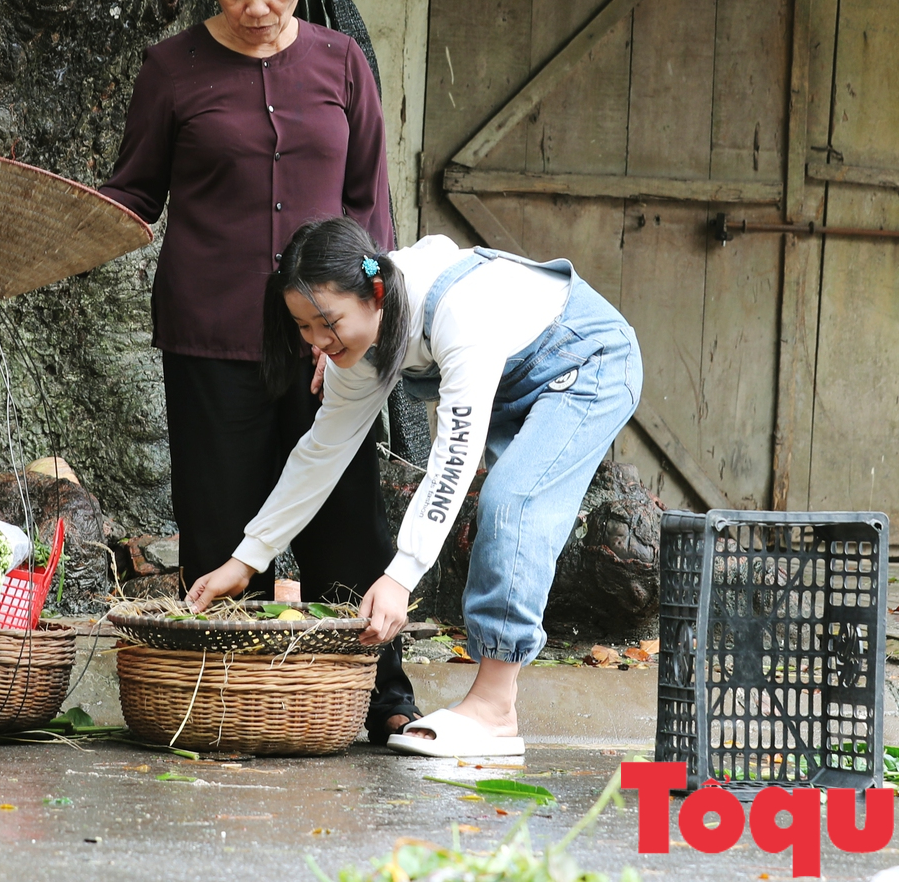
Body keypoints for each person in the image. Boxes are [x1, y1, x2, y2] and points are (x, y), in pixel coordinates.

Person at [99, 0, 419, 742]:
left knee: (347, 516)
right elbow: (135, 186)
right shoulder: (172, 69)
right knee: (223, 516)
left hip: (330, 335)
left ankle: (376, 697)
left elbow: (369, 208)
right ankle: (218, 694)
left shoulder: (342, 62)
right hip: (210, 331)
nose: (256, 8)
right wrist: (61, 221)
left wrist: (358, 328)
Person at [186, 217, 643, 758]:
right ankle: (493, 703)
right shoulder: (356, 348)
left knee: (512, 503)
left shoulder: (459, 311)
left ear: (375, 293)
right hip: (517, 381)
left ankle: (495, 708)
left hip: (587, 362)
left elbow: (453, 455)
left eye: (328, 323)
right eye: (303, 327)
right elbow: (321, 451)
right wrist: (247, 559)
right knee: (512, 506)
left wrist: (401, 575)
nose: (318, 342)